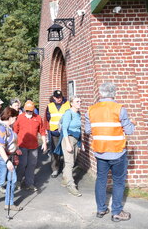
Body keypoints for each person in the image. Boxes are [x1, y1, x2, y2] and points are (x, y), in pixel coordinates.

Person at [85, 82, 134, 222]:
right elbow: (129, 130)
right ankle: (117, 212)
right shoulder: (119, 109)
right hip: (117, 150)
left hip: (100, 151)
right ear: (114, 93)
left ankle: (101, 209)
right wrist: (132, 124)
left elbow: (88, 130)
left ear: (101, 93)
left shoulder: (91, 109)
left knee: (101, 180)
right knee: (118, 182)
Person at [13, 100, 47, 191]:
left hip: (34, 146)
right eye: (27, 110)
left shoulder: (38, 118)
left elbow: (42, 131)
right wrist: (14, 145)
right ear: (24, 109)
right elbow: (15, 132)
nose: (29, 112)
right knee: (22, 164)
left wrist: (44, 143)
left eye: (30, 111)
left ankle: (29, 183)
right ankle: (18, 181)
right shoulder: (20, 118)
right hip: (22, 145)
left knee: (32, 165)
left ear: (33, 110)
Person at [56, 95, 84, 197]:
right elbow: (64, 129)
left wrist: (80, 143)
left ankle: (65, 179)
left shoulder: (78, 114)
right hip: (68, 138)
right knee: (69, 162)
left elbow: (79, 129)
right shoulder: (69, 113)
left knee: (73, 160)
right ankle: (71, 185)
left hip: (76, 139)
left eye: (80, 101)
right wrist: (68, 143)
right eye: (77, 101)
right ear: (71, 103)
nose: (79, 103)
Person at [46, 90, 70, 178]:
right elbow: (48, 118)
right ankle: (55, 169)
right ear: (54, 97)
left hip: (65, 132)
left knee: (65, 151)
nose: (59, 99)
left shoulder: (67, 104)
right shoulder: (50, 106)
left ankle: (65, 169)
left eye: (60, 97)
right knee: (55, 151)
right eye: (57, 97)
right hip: (54, 131)